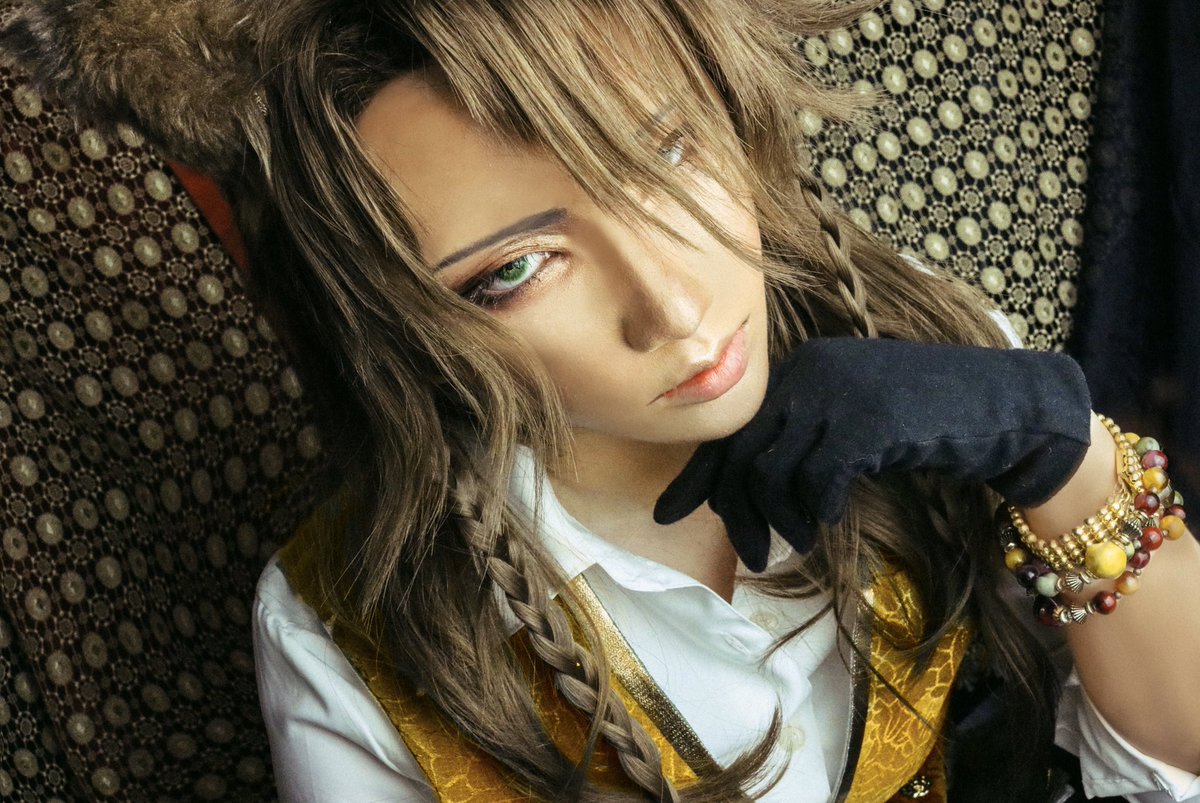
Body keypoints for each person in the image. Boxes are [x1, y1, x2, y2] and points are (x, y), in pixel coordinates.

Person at [238, 0, 1200, 800]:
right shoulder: (343, 629)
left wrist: (1065, 461)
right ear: (407, 322)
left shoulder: (929, 340)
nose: (671, 306)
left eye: (665, 156)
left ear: (734, 108)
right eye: (519, 268)